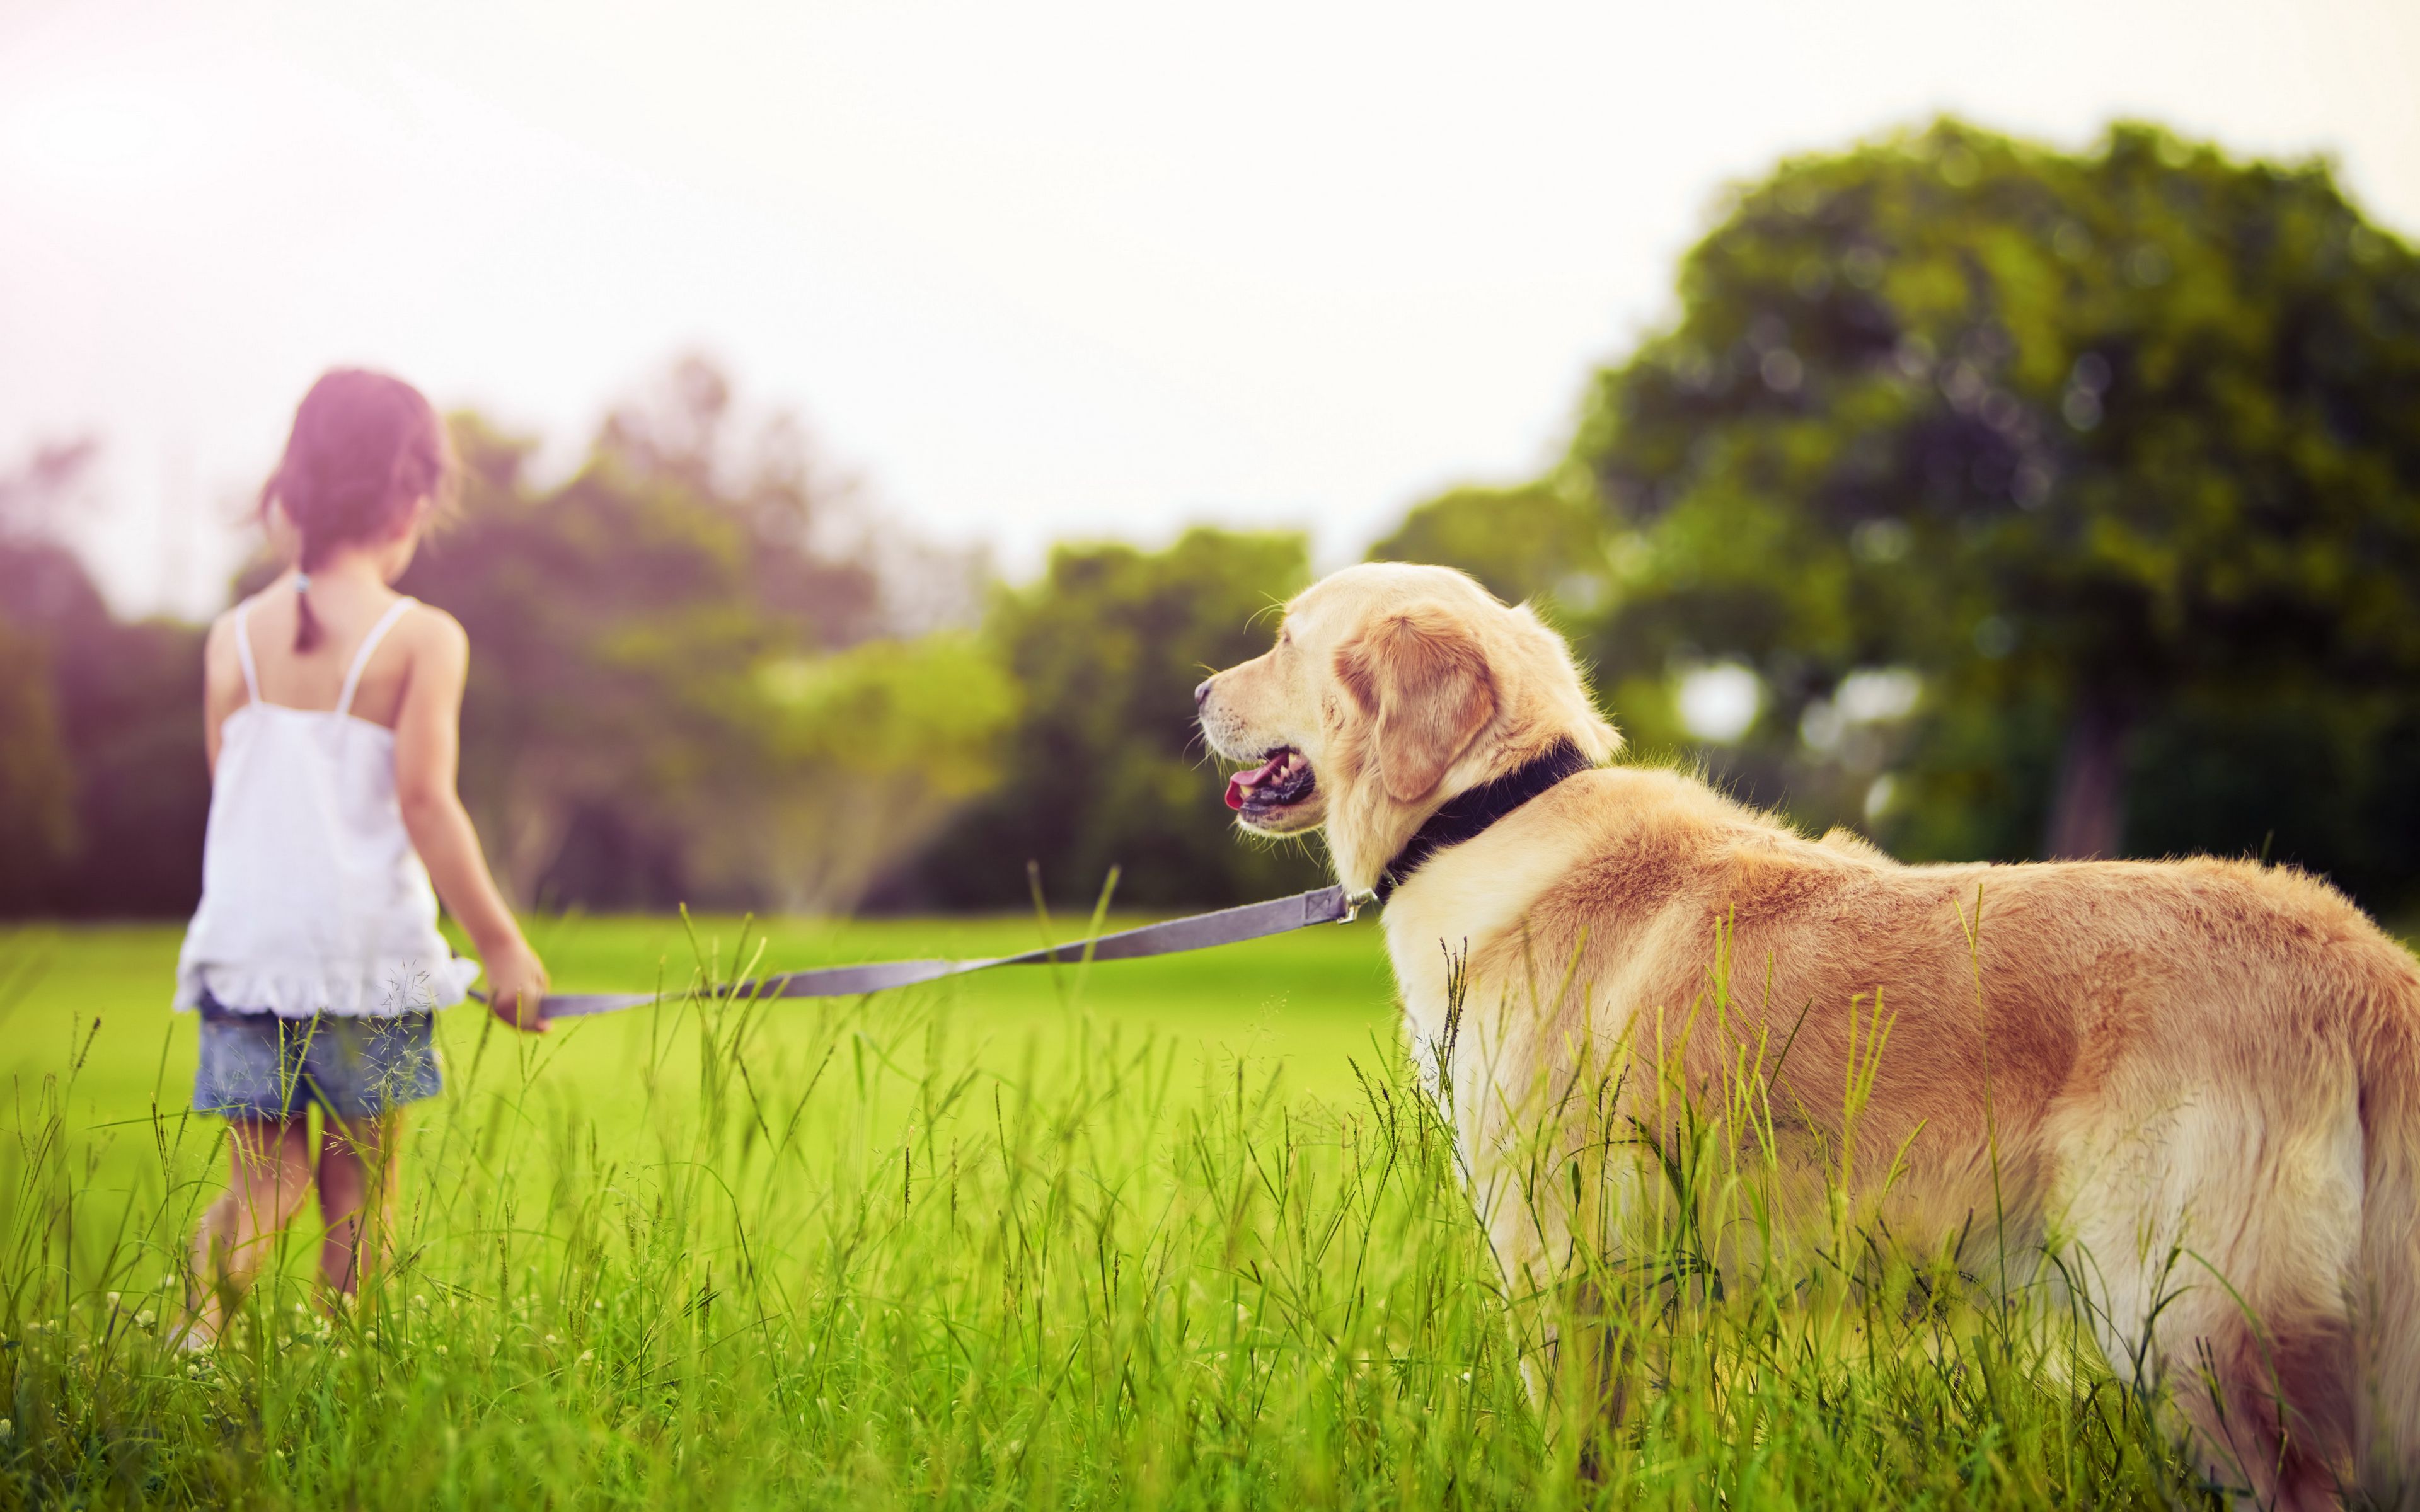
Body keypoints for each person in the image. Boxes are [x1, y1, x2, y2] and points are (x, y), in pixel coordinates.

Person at [174, 369, 549, 1346]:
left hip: (248, 960)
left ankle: (192, 1345)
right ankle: (349, 1372)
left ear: (289, 495)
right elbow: (427, 802)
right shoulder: (422, 637)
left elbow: (235, 800)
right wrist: (501, 948)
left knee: (266, 1182)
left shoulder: (231, 640)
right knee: (360, 1194)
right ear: (413, 502)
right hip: (369, 969)